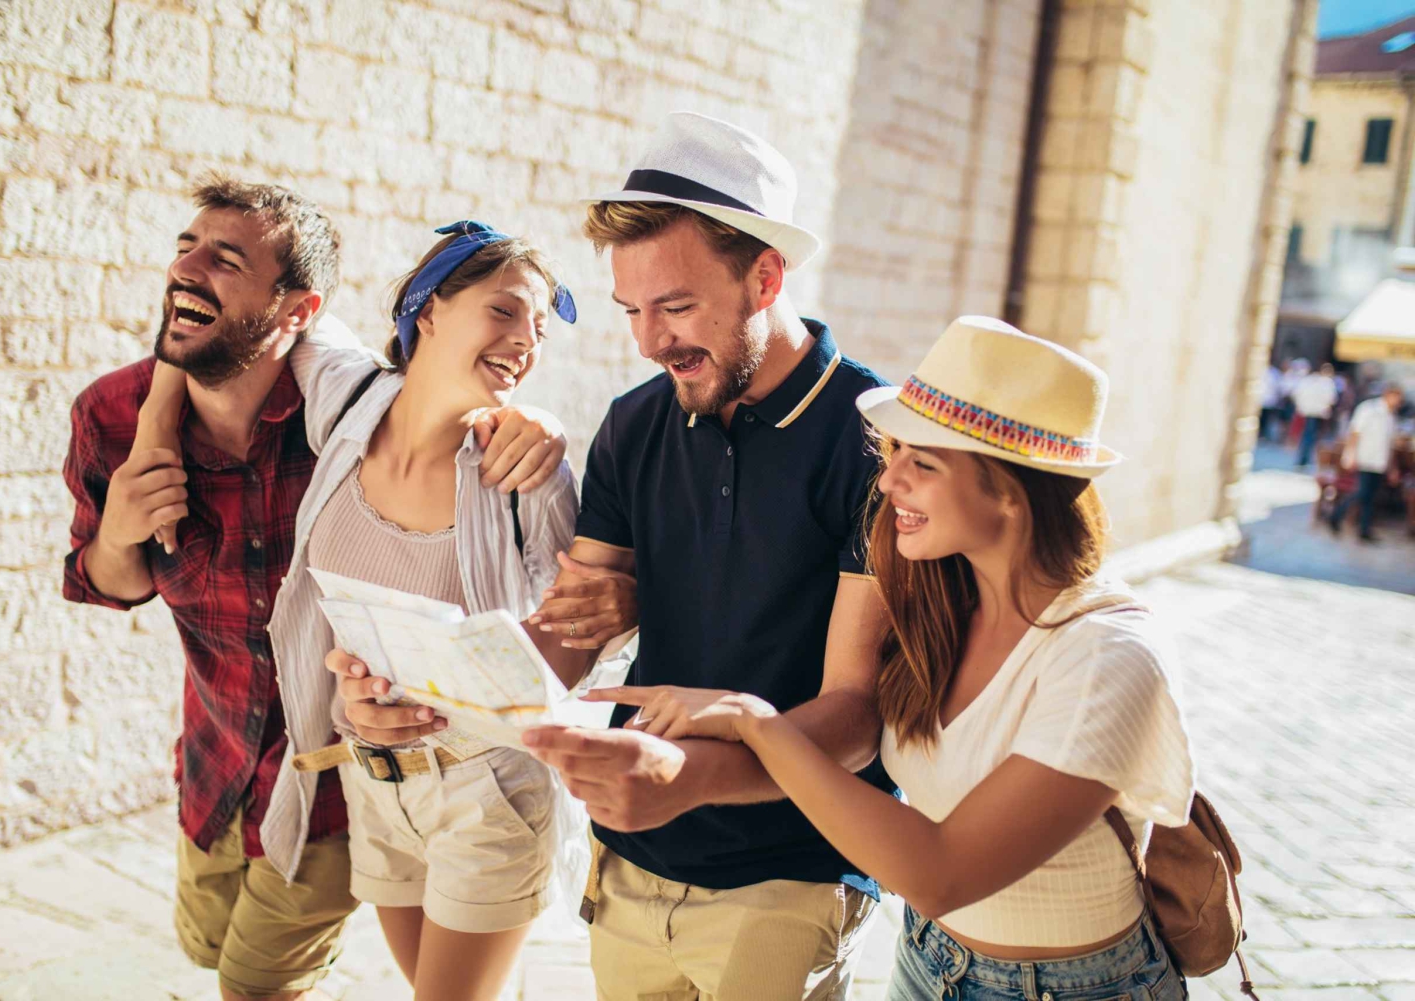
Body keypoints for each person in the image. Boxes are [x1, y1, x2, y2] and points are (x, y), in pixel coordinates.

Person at [590, 316, 1197, 1001]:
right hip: (927, 960)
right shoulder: (939, 604)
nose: (888, 481)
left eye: (923, 463)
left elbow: (942, 873)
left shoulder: (1107, 656)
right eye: (895, 451)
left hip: (1074, 987)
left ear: (1011, 488)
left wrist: (753, 721)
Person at [62, 179, 566, 1001]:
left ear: (297, 312)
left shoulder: (340, 406)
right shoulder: (114, 415)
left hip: (350, 781)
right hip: (228, 764)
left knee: (255, 983)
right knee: (210, 947)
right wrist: (125, 511)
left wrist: (539, 421)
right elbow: (111, 586)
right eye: (186, 248)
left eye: (227, 259)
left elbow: (580, 615)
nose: (189, 267)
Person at [516, 112, 897, 1000]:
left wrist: (687, 777)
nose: (649, 342)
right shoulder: (634, 422)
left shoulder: (878, 441)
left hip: (793, 867)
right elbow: (572, 630)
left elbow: (856, 714)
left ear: (766, 276)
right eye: (633, 311)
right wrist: (437, 687)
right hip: (633, 855)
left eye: (677, 307)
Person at [1329, 382, 1406, 542]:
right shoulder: (1368, 409)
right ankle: (1336, 515)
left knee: (1370, 496)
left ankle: (1364, 530)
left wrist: (1392, 467)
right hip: (1365, 458)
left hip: (1380, 461)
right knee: (1362, 492)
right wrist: (1350, 455)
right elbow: (1355, 432)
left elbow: (1390, 444)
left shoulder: (1391, 416)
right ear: (1388, 395)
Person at [1292, 362, 1338, 467]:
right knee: (1311, 435)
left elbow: (1297, 394)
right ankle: (1305, 458)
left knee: (1307, 434)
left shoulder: (1307, 381)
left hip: (1307, 411)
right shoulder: (1327, 383)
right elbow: (1331, 399)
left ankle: (1304, 457)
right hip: (1318, 413)